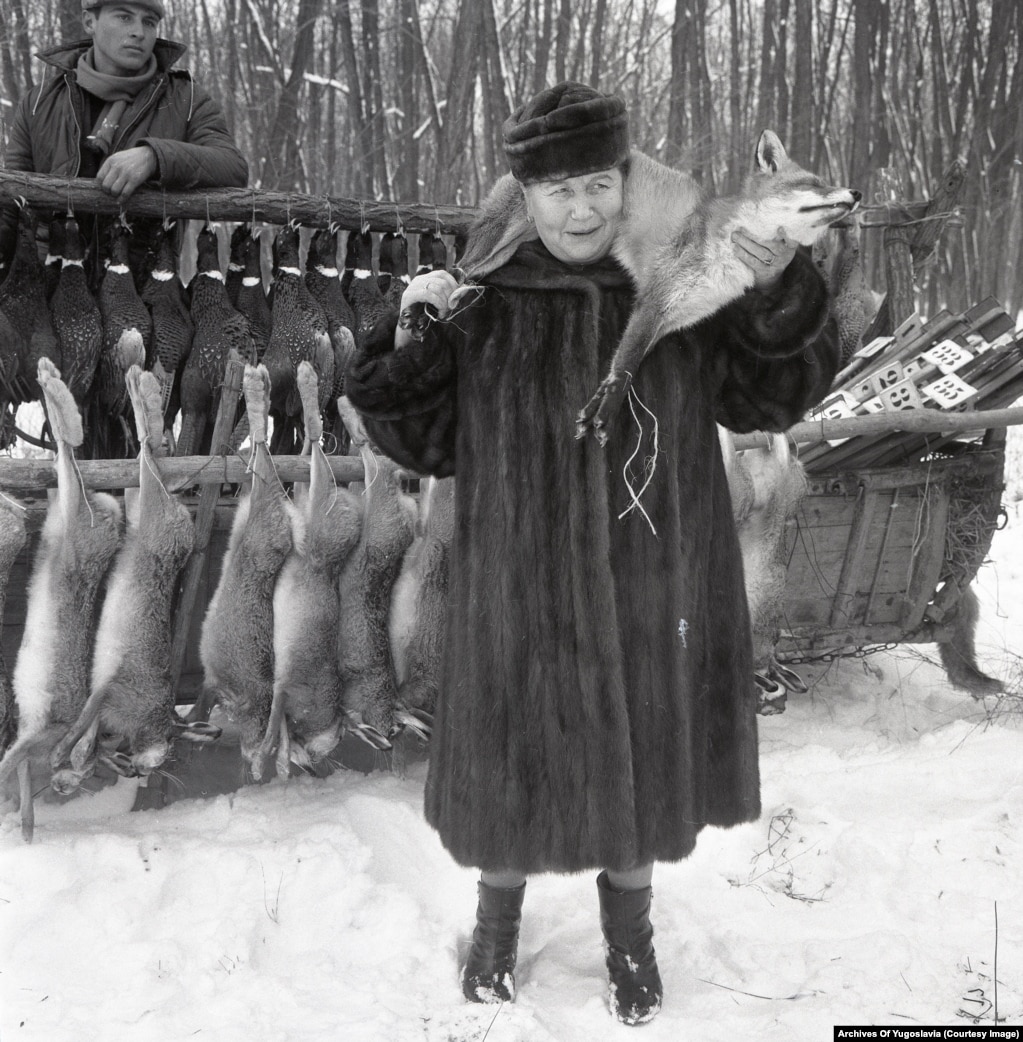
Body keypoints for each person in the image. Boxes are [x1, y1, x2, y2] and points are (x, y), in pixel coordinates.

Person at [345, 82, 841, 1026]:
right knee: (512, 765)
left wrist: (778, 279)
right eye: (555, 191)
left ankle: (631, 940)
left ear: (625, 179)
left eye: (596, 186)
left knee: (643, 761)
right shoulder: (485, 299)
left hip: (657, 578)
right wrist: (411, 335)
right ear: (521, 195)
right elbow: (423, 443)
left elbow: (768, 399)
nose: (579, 211)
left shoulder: (683, 282)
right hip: (518, 583)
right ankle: (496, 927)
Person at [1, 0, 248, 279]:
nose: (139, 32)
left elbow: (233, 168)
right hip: (46, 290)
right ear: (89, 22)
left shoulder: (186, 100)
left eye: (149, 22)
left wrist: (155, 157)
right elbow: (10, 208)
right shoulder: (40, 101)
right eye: (124, 17)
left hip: (144, 295)